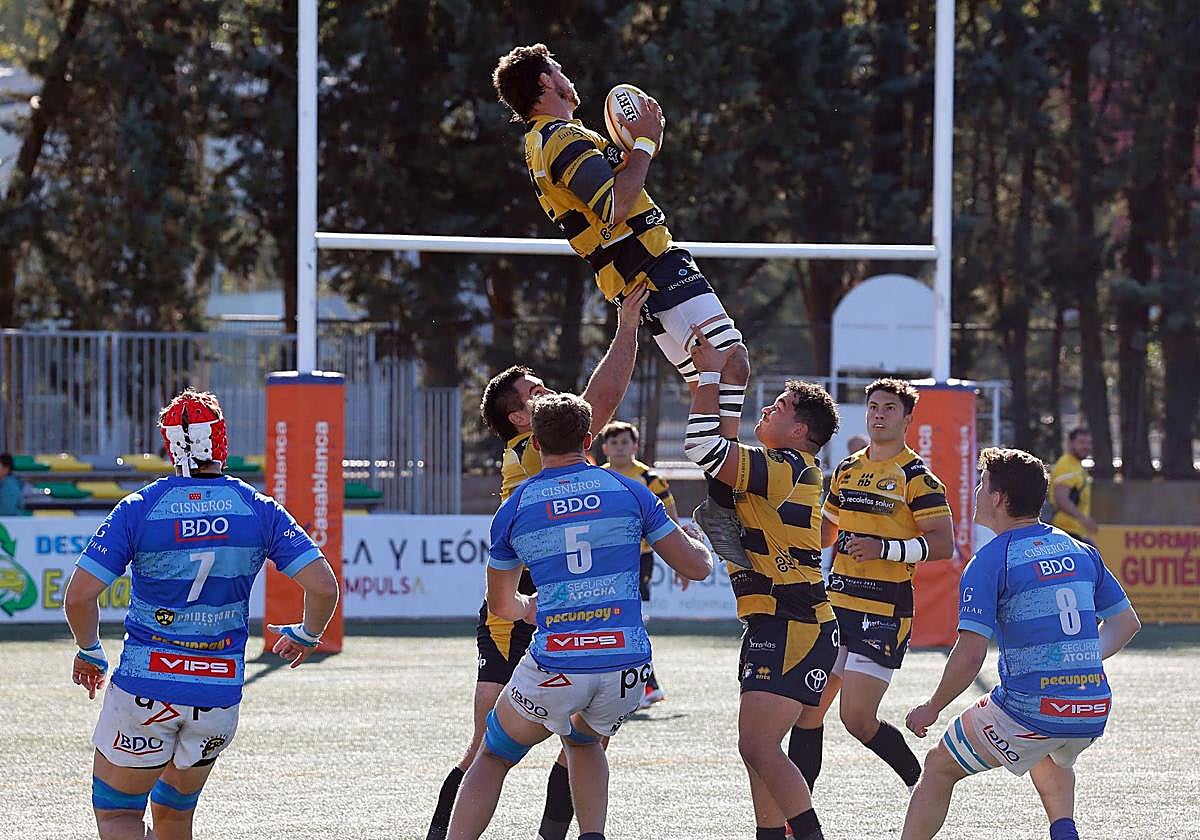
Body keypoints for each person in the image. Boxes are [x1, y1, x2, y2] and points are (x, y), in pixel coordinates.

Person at [491, 43, 750, 573]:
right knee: (730, 364)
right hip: (654, 270)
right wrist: (646, 146)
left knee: (719, 372)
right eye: (558, 69)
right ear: (544, 85)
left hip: (644, 277)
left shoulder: (550, 141)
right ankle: (726, 503)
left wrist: (630, 149)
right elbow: (615, 203)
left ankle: (723, 500)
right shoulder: (557, 137)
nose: (568, 75)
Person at [63, 388, 339, 840]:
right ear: (221, 441)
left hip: (144, 686)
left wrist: (90, 652)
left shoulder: (139, 508)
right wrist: (308, 634)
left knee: (118, 815)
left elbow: (79, 596)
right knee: (174, 818)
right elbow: (323, 586)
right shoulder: (257, 507)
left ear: (169, 444)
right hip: (217, 692)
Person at [426, 287, 646, 840]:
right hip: (517, 611)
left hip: (567, 612)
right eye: (535, 392)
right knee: (487, 746)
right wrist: (626, 326)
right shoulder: (530, 450)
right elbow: (607, 392)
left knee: (581, 741)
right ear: (520, 417)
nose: (548, 392)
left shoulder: (556, 453)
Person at [447, 392, 713, 840]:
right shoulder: (632, 491)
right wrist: (699, 540)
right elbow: (697, 568)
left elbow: (502, 606)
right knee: (585, 740)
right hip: (626, 667)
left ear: (534, 444)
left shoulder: (515, 508)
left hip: (559, 663)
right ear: (589, 440)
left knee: (493, 753)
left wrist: (536, 608)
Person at [901, 447, 1141, 840]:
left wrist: (932, 708)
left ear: (997, 498)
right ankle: (1065, 833)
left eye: (982, 484)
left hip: (1032, 710)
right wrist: (1074, 659)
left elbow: (970, 653)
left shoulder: (991, 559)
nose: (976, 492)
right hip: (1093, 708)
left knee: (938, 767)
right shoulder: (1079, 550)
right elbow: (1126, 622)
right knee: (1049, 754)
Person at [683, 327, 841, 840]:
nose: (767, 410)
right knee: (757, 751)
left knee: (758, 747)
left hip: (794, 620)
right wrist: (730, 382)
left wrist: (707, 374)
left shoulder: (786, 467)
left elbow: (702, 446)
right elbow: (718, 460)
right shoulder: (780, 466)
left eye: (779, 407)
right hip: (781, 619)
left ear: (799, 432)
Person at [790, 378, 955, 797]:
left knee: (857, 720)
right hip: (835, 606)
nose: (879, 414)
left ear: (907, 418)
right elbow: (828, 530)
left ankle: (922, 782)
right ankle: (796, 812)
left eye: (889, 408)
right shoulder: (847, 469)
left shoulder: (917, 477)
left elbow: (942, 544)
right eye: (874, 407)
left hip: (883, 611)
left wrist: (883, 547)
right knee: (808, 711)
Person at [598, 419, 683, 707]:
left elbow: (670, 520)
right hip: (605, 560)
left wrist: (682, 559)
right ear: (604, 446)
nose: (619, 447)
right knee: (609, 622)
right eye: (614, 442)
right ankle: (633, 685)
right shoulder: (596, 477)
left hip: (638, 559)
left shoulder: (650, 479)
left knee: (630, 623)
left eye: (625, 442)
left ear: (635, 445)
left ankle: (646, 685)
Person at [1049, 428, 1097, 544]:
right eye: (1081, 442)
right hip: (1065, 530)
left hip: (1075, 531)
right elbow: (1061, 498)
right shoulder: (1066, 465)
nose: (1086, 446)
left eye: (1088, 443)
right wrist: (1083, 519)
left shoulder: (1077, 466)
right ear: (1070, 443)